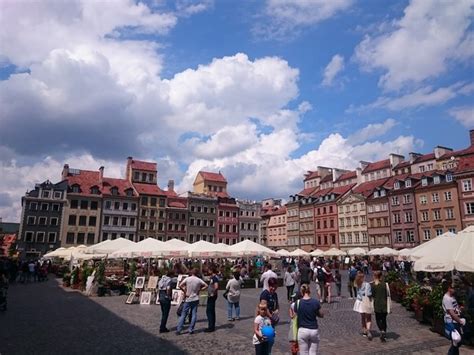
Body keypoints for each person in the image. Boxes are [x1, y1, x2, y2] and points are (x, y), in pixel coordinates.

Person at [292, 284, 324, 355]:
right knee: (313, 353)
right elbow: (321, 314)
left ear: (301, 292)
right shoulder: (315, 302)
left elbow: (294, 316)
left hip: (302, 330)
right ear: (309, 291)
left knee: (303, 353)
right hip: (313, 330)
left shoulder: (297, 303)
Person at [176, 268, 208, 335]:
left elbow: (180, 285)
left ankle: (179, 329)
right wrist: (200, 290)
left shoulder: (188, 279)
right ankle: (191, 329)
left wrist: (185, 291)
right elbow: (206, 285)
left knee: (183, 314)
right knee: (194, 314)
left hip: (188, 298)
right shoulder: (198, 280)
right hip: (195, 298)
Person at [443, 283, 466, 355]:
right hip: (451, 322)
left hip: (456, 321)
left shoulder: (452, 297)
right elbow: (451, 313)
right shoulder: (447, 298)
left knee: (457, 342)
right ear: (449, 288)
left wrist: (460, 309)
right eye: (454, 288)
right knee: (456, 340)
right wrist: (460, 321)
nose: (455, 290)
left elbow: (455, 308)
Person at [260, 277, 279, 355]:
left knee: (271, 340)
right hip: (265, 321)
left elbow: (277, 305)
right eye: (272, 286)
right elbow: (264, 308)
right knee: (266, 340)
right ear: (269, 285)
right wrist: (271, 316)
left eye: (275, 286)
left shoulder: (275, 294)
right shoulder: (265, 294)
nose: (273, 288)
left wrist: (277, 310)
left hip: (272, 321)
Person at [353, 271, 373, 340]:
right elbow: (369, 294)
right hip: (366, 301)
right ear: (363, 277)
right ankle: (368, 330)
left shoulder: (356, 284)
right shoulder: (367, 284)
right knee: (369, 318)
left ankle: (364, 331)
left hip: (359, 302)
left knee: (363, 317)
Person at [371, 271, 390, 342]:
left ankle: (382, 330)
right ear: (380, 276)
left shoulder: (373, 285)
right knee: (384, 319)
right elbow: (388, 294)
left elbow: (372, 295)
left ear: (375, 276)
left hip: (377, 304)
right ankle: (384, 332)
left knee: (378, 319)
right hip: (385, 304)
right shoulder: (385, 284)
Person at [205, 267, 219, 332]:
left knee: (209, 311)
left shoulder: (214, 278)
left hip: (212, 296)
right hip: (211, 296)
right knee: (211, 311)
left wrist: (213, 293)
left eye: (209, 270)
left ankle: (211, 326)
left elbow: (216, 286)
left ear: (211, 270)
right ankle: (211, 325)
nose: (208, 271)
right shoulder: (213, 278)